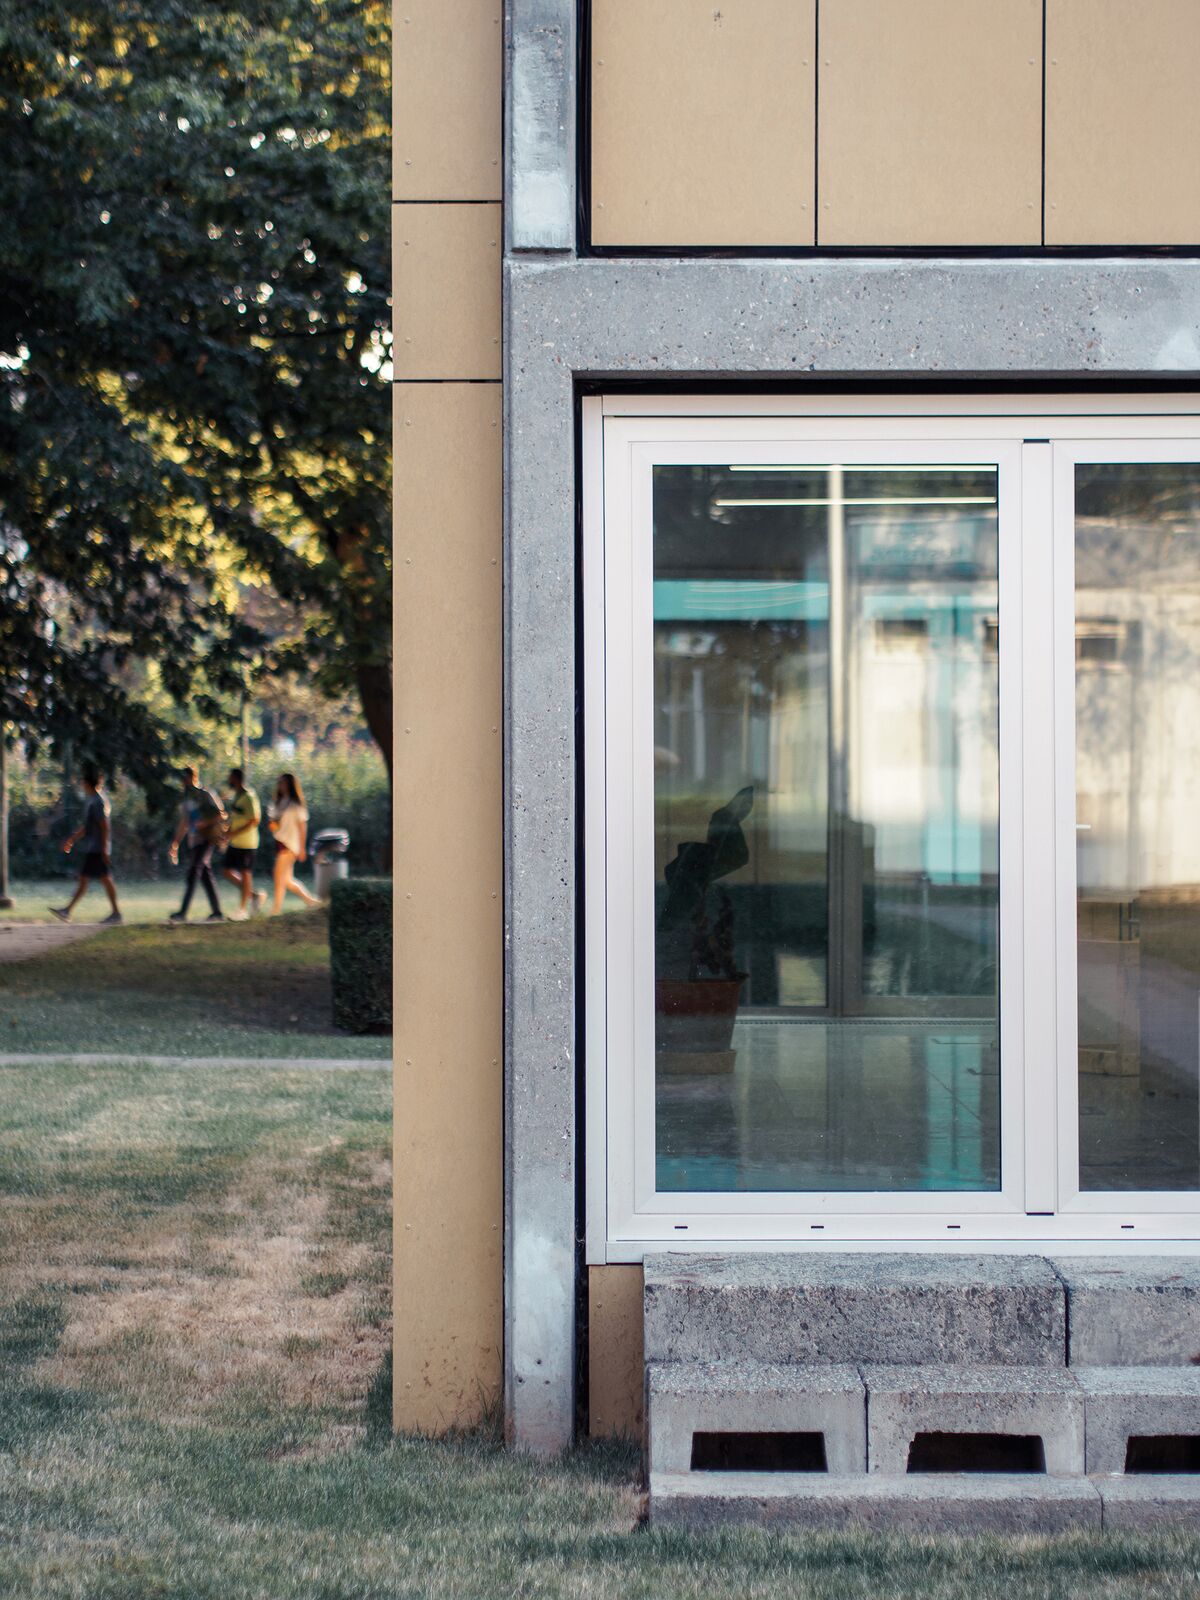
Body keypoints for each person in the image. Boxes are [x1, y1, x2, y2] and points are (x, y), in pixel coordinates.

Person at [49, 763, 123, 925]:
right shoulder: (91, 801)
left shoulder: (97, 802)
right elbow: (88, 826)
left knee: (100, 879)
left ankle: (114, 913)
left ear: (88, 783)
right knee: (92, 879)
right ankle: (68, 910)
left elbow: (104, 826)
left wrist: (104, 849)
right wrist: (72, 839)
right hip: (94, 848)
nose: (81, 784)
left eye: (83, 781)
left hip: (97, 849)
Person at [167, 766, 225, 923]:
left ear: (193, 777)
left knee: (193, 872)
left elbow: (220, 814)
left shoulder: (205, 795)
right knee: (205, 876)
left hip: (206, 839)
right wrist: (176, 843)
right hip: (194, 841)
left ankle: (183, 912)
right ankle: (217, 912)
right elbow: (184, 823)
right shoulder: (186, 800)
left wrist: (204, 823)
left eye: (185, 778)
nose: (183, 782)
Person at [268, 772, 320, 914]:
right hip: (279, 842)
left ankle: (276, 910)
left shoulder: (296, 805)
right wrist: (273, 824)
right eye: (279, 783)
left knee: (278, 876)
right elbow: (273, 825)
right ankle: (311, 901)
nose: (281, 785)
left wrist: (302, 848)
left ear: (290, 785)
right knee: (287, 880)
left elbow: (302, 827)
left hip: (290, 844)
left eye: (283, 783)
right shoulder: (277, 803)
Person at [221, 767, 266, 919]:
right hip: (235, 842)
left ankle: (242, 909)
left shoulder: (249, 796)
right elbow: (236, 818)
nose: (229, 780)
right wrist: (227, 833)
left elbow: (254, 820)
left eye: (231, 777)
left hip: (248, 843)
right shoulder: (236, 796)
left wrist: (234, 832)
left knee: (245, 874)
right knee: (227, 871)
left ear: (237, 779)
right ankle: (254, 895)